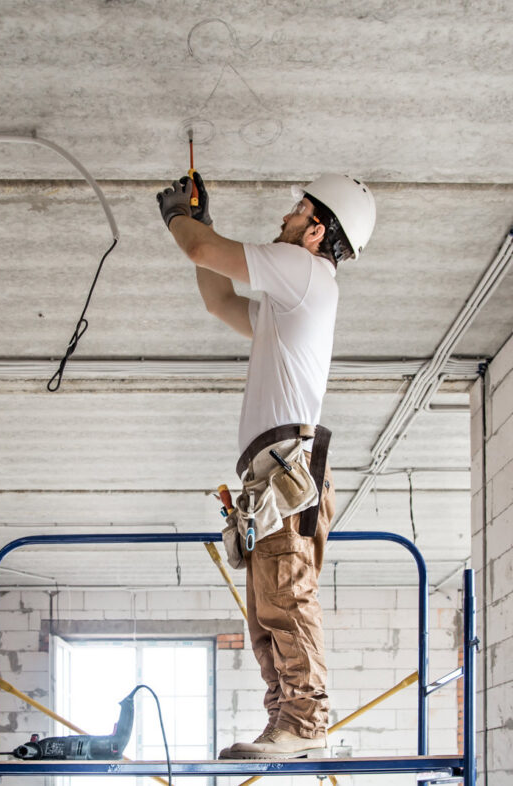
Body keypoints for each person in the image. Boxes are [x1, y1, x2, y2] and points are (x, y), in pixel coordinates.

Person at [156, 171, 376, 759]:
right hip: (269, 477)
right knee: (267, 609)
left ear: (317, 231)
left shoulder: (306, 274)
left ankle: (306, 723)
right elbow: (218, 296)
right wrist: (198, 226)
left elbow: (204, 253)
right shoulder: (288, 305)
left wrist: (184, 221)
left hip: (285, 471)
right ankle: (286, 718)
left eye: (296, 211)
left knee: (286, 595)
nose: (284, 218)